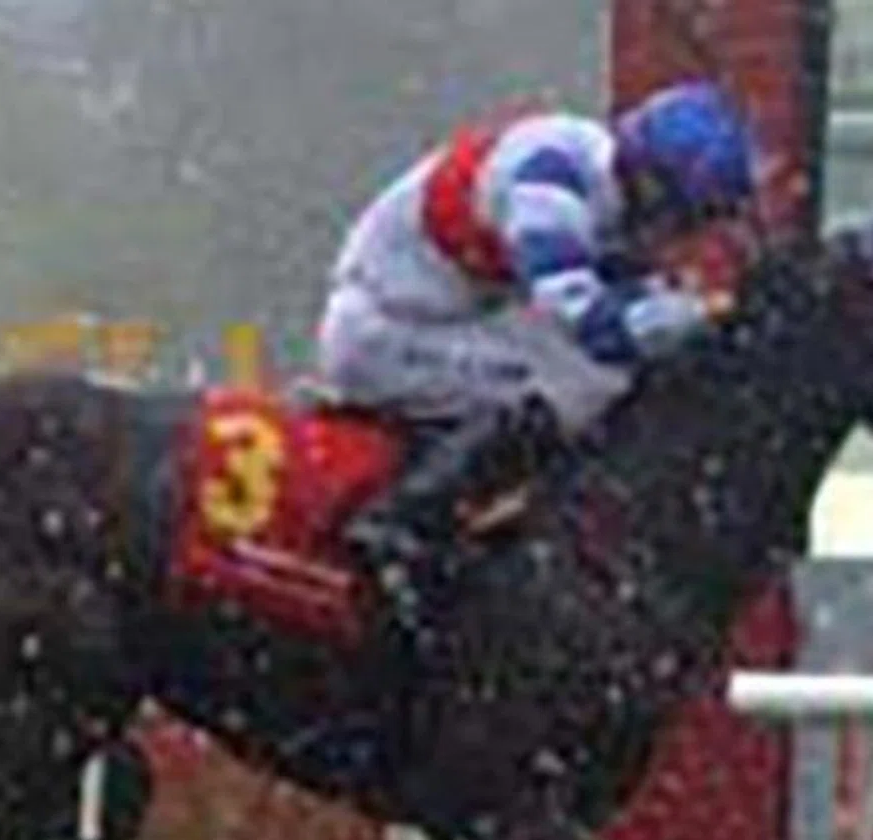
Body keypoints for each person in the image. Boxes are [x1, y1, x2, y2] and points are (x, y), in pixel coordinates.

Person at [319, 79, 761, 647]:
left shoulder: (611, 191)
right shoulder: (550, 182)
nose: (685, 235)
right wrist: (700, 315)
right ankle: (401, 526)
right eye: (689, 218)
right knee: (565, 388)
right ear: (653, 187)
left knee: (595, 379)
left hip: (450, 316)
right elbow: (592, 324)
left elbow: (631, 307)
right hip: (383, 332)